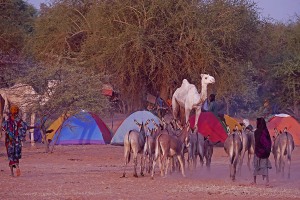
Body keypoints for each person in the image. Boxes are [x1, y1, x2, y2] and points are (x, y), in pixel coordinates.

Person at [2, 105, 28, 176]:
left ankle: (12, 173)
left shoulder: (8, 121)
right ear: (17, 111)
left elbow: (3, 128)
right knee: (16, 155)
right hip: (17, 141)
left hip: (9, 141)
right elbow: (25, 127)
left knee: (10, 155)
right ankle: (17, 166)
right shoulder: (19, 120)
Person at [252, 117, 272, 185]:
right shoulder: (266, 132)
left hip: (257, 151)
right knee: (264, 166)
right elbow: (269, 142)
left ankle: (254, 181)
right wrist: (267, 150)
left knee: (255, 165)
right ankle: (267, 181)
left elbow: (256, 142)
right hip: (265, 152)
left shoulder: (256, 132)